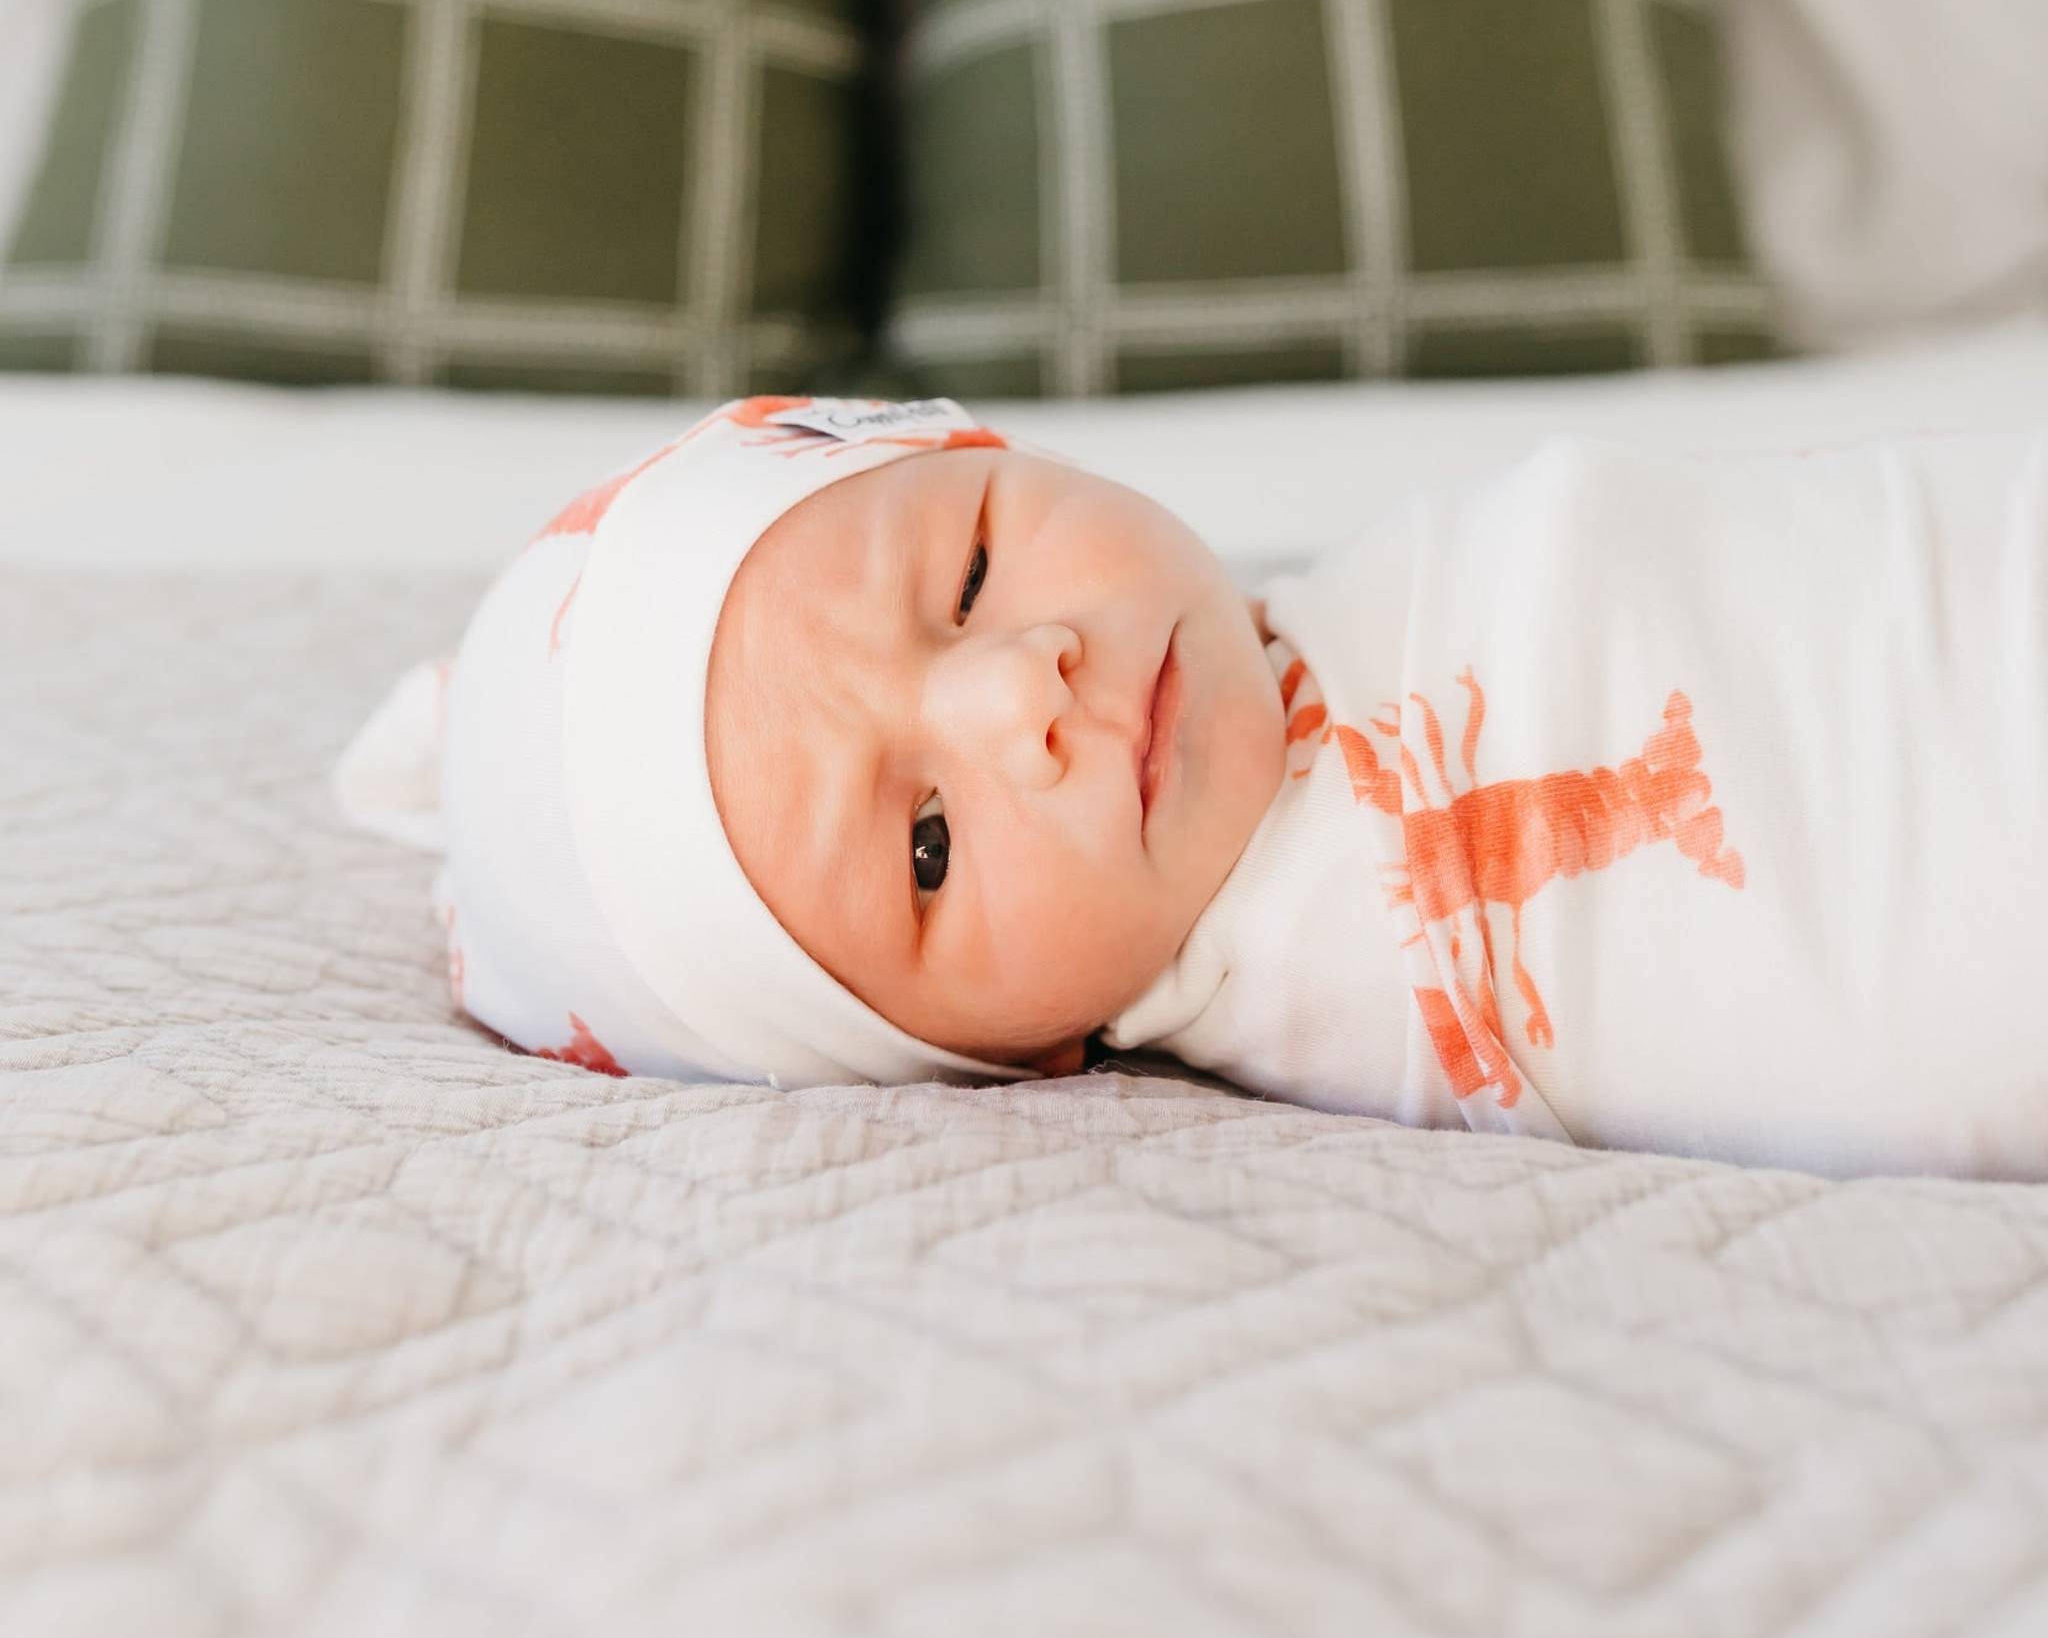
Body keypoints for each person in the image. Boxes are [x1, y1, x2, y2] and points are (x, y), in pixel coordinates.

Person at [335, 394, 2048, 1181]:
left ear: (986, 445)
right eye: (925, 847)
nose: (1025, 693)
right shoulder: (1295, 988)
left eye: (975, 566)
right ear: (980, 1059)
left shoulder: (1446, 573)